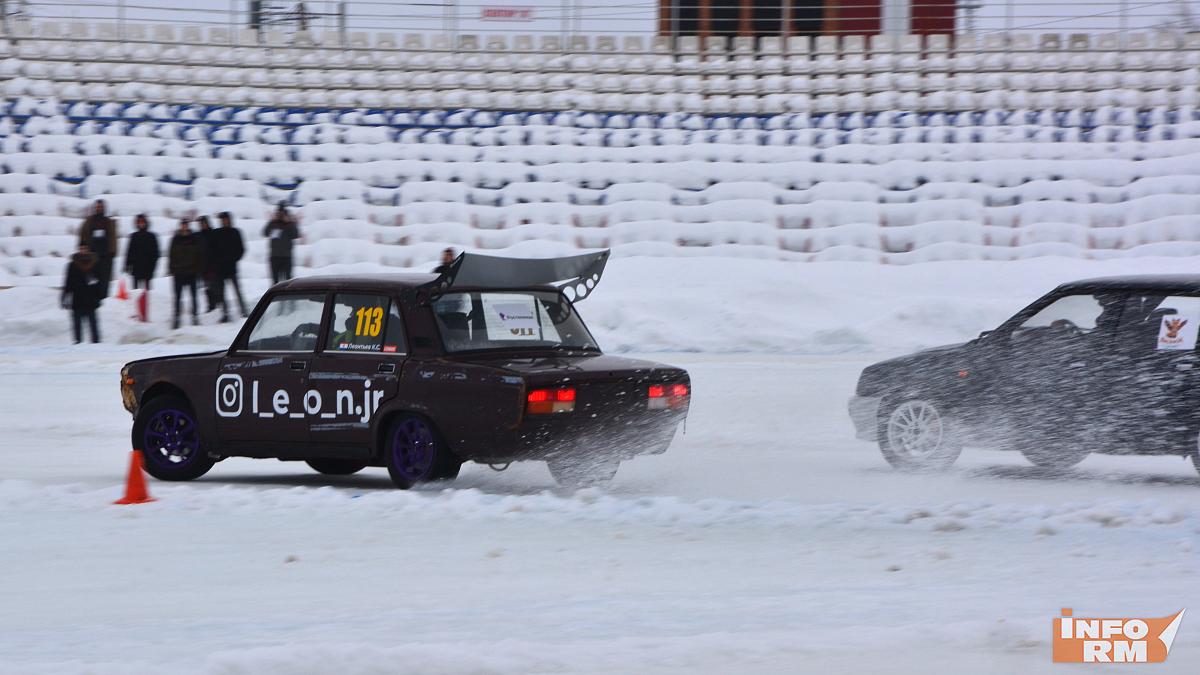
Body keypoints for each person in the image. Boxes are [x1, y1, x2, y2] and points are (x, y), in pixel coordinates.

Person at [61, 244, 103, 344]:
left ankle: (96, 343)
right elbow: (68, 282)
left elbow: (99, 281)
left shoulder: (95, 264)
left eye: (85, 248)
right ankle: (78, 342)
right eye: (81, 248)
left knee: (93, 323)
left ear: (88, 250)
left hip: (91, 298)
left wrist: (99, 296)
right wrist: (64, 296)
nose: (83, 250)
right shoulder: (72, 265)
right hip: (77, 298)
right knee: (76, 324)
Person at [212, 211, 248, 322]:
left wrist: (234, 259)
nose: (224, 221)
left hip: (232, 268)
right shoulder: (216, 233)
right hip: (219, 269)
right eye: (222, 220)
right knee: (222, 293)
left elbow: (241, 249)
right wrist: (216, 261)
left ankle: (244, 311)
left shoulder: (235, 232)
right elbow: (211, 248)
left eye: (226, 219)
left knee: (237, 291)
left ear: (229, 220)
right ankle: (225, 314)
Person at [168, 219, 204, 329]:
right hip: (179, 273)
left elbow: (199, 255)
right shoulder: (175, 239)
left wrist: (197, 269)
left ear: (188, 226)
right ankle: (176, 318)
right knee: (177, 297)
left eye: (186, 225)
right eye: (183, 225)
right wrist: (172, 269)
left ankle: (195, 316)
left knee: (193, 296)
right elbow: (171, 255)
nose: (184, 227)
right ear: (180, 226)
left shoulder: (193, 238)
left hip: (191, 273)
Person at [77, 200, 116, 298]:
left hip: (106, 256)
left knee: (105, 281)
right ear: (95, 208)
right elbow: (82, 235)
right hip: (91, 256)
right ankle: (92, 299)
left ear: (104, 208)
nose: (99, 208)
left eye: (101, 207)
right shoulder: (89, 221)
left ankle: (104, 300)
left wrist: (113, 252)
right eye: (98, 207)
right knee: (91, 280)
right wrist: (82, 250)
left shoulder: (108, 221)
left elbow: (113, 237)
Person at [263, 202, 300, 285]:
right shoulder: (273, 223)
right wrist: (272, 221)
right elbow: (265, 233)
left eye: (282, 213)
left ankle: (288, 293)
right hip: (274, 256)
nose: (280, 215)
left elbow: (295, 235)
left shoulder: (290, 224)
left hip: (286, 257)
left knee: (288, 282)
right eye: (278, 213)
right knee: (274, 282)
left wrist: (289, 223)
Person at [123, 213, 160, 290]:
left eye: (142, 222)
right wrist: (127, 265)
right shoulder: (134, 236)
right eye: (139, 222)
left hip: (148, 268)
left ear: (146, 223)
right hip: (136, 268)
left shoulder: (151, 236)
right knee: (135, 291)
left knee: (147, 292)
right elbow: (129, 252)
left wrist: (152, 267)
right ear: (136, 223)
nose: (141, 224)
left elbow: (155, 253)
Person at [196, 215, 220, 312]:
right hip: (203, 266)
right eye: (201, 223)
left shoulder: (213, 233)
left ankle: (218, 303)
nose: (203, 225)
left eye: (204, 223)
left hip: (213, 265)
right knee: (207, 288)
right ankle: (211, 305)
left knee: (215, 286)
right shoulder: (199, 235)